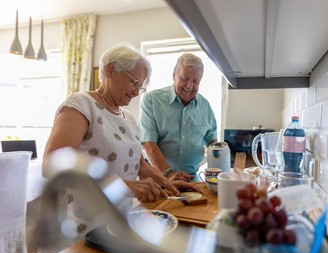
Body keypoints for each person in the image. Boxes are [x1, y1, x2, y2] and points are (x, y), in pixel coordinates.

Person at [43, 45, 201, 206]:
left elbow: (139, 164)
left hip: (117, 216)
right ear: (110, 70)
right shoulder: (82, 104)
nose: (136, 92)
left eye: (140, 86)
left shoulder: (129, 119)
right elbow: (52, 165)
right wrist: (124, 186)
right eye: (134, 82)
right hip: (82, 218)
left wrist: (167, 182)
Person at [139, 53, 217, 182]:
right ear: (174, 75)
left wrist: (224, 162)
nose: (189, 86)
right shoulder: (152, 100)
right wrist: (169, 174)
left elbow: (212, 143)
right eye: (185, 78)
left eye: (195, 81)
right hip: (157, 178)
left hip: (191, 178)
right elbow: (149, 144)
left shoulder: (205, 106)